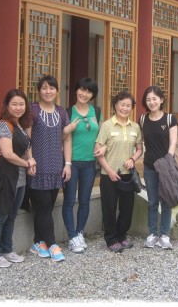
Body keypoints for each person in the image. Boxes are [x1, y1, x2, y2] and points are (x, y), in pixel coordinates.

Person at [0, 89, 36, 268]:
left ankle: (7, 249)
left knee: (12, 215)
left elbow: (27, 146)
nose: (18, 108)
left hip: (19, 179)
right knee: (1, 214)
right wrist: (28, 163)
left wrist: (30, 159)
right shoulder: (3, 125)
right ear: (7, 106)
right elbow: (7, 154)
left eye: (21, 104)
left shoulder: (20, 124)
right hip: (5, 177)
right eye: (14, 104)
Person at [28, 75, 71, 262]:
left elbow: (67, 139)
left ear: (57, 91)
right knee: (44, 207)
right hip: (37, 168)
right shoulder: (32, 110)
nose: (48, 91)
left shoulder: (61, 112)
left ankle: (38, 242)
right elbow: (27, 139)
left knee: (45, 208)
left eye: (52, 88)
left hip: (56, 168)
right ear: (39, 91)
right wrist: (30, 160)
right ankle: (53, 244)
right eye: (44, 88)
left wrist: (67, 164)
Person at [95, 90, 143, 253]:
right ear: (115, 105)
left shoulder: (135, 127)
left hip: (127, 175)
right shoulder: (107, 125)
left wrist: (133, 159)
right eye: (122, 104)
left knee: (127, 208)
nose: (125, 108)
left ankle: (122, 235)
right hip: (109, 174)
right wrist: (108, 170)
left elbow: (139, 149)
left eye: (128, 105)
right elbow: (97, 151)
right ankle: (111, 238)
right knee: (109, 207)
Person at [62, 77, 102, 253]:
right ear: (76, 90)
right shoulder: (67, 112)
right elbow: (62, 138)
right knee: (69, 200)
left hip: (89, 163)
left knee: (85, 200)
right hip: (71, 162)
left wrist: (103, 147)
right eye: (82, 89)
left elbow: (101, 136)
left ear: (92, 95)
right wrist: (66, 130)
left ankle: (79, 233)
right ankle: (72, 236)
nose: (84, 94)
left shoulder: (96, 112)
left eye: (88, 91)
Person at [140, 85, 178, 250]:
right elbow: (140, 142)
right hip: (149, 166)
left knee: (166, 201)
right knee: (152, 202)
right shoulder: (143, 119)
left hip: (166, 167)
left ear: (161, 100)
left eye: (154, 99)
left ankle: (164, 235)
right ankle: (152, 234)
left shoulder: (170, 119)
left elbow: (173, 142)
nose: (151, 102)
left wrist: (167, 160)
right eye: (148, 99)